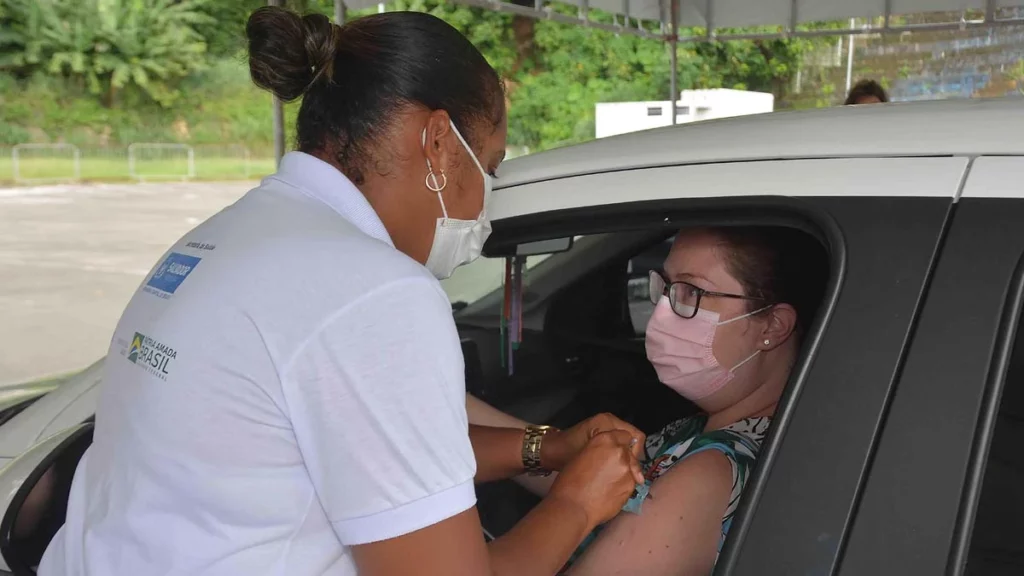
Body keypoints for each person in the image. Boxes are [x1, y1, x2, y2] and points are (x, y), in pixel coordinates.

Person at [38, 8, 646, 576]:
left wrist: (545, 448)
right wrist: (576, 505)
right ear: (437, 144)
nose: (486, 199)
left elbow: (368, 445)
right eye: (488, 166)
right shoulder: (374, 292)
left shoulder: (234, 235)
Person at [469, 226, 828, 575]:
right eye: (666, 287)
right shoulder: (711, 431)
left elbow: (588, 494)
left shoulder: (708, 475)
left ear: (772, 327)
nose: (661, 312)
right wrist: (455, 404)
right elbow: (599, 485)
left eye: (691, 292)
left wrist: (570, 505)